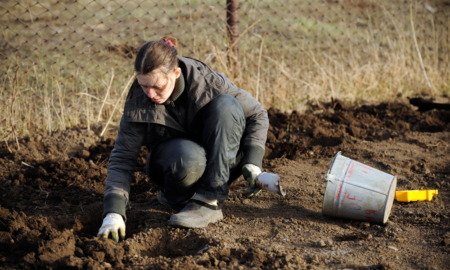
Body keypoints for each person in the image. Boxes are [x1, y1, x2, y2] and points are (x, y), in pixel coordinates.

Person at [97, 36, 269, 242]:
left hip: (221, 164)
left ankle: (208, 201)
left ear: (176, 73)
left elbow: (257, 113)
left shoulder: (208, 83)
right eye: (144, 86)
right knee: (189, 156)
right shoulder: (138, 100)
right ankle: (179, 199)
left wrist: (252, 161)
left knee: (227, 106)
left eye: (158, 86)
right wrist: (114, 212)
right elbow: (123, 157)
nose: (150, 94)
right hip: (176, 165)